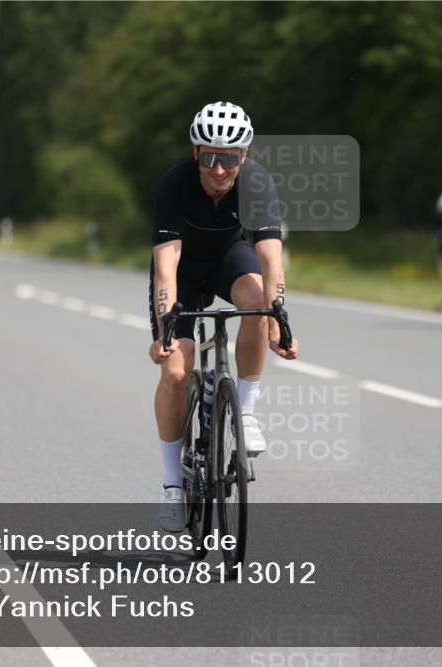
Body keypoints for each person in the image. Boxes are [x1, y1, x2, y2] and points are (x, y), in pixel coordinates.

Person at [148, 101, 299, 533]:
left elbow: (272, 265)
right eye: (210, 156)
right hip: (184, 269)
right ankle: (172, 483)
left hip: (231, 259)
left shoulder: (258, 184)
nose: (219, 169)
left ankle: (246, 412)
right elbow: (166, 268)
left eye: (229, 158)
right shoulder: (174, 185)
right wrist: (165, 330)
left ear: (243, 157)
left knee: (258, 304)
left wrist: (279, 320)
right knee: (176, 373)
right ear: (196, 153)